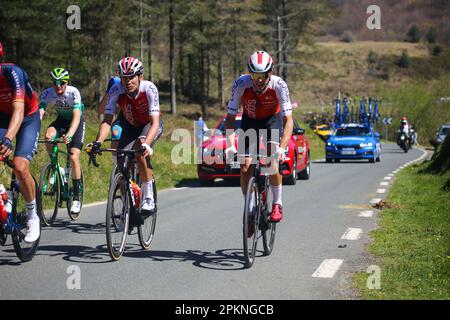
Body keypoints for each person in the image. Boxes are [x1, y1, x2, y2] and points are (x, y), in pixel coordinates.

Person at [225, 50, 293, 224]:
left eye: (262, 75)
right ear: (250, 73)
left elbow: (288, 121)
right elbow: (231, 119)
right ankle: (249, 208)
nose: (259, 80)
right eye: (255, 75)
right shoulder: (241, 84)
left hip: (272, 120)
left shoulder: (279, 85)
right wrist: (231, 145)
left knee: (271, 159)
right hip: (250, 120)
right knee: (245, 166)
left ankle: (277, 203)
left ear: (270, 73)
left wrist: (282, 148)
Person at [88, 57, 163, 214]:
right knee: (121, 162)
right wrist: (98, 142)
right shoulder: (116, 89)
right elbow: (107, 120)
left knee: (139, 151)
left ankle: (148, 196)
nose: (127, 81)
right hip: (130, 125)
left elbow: (155, 123)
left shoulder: (149, 88)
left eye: (131, 77)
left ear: (139, 77)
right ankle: (128, 199)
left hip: (148, 125)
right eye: (124, 78)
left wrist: (146, 144)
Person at [0, 42, 41, 242]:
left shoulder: (12, 73)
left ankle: (33, 215)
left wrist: (8, 139)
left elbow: (19, 110)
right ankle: (3, 196)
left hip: (27, 117)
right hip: (2, 117)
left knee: (19, 165)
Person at [39, 68, 85, 215]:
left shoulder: (73, 92)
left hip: (75, 124)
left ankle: (76, 197)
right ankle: (55, 166)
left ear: (67, 83)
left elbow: (77, 116)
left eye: (61, 83)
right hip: (61, 121)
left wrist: (70, 135)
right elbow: (40, 113)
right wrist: (33, 131)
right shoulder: (47, 93)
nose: (58, 85)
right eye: (55, 82)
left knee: (73, 157)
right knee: (48, 136)